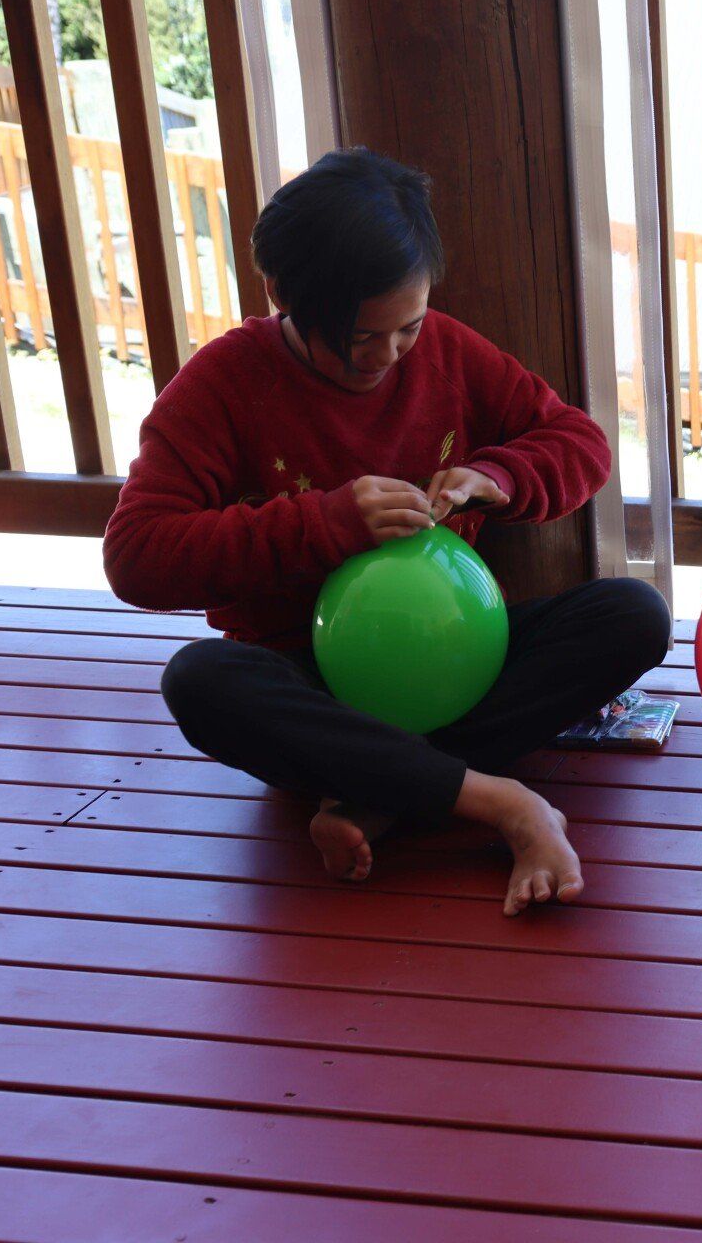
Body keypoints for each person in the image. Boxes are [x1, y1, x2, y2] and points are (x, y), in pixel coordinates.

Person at [104, 147, 670, 916]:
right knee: (200, 681)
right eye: (358, 337)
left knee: (632, 614)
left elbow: (581, 443)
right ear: (283, 295)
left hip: (457, 660)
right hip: (311, 684)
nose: (387, 355)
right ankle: (502, 801)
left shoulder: (445, 349)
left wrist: (495, 479)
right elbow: (135, 556)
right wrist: (326, 522)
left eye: (406, 327)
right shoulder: (225, 383)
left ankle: (384, 793)